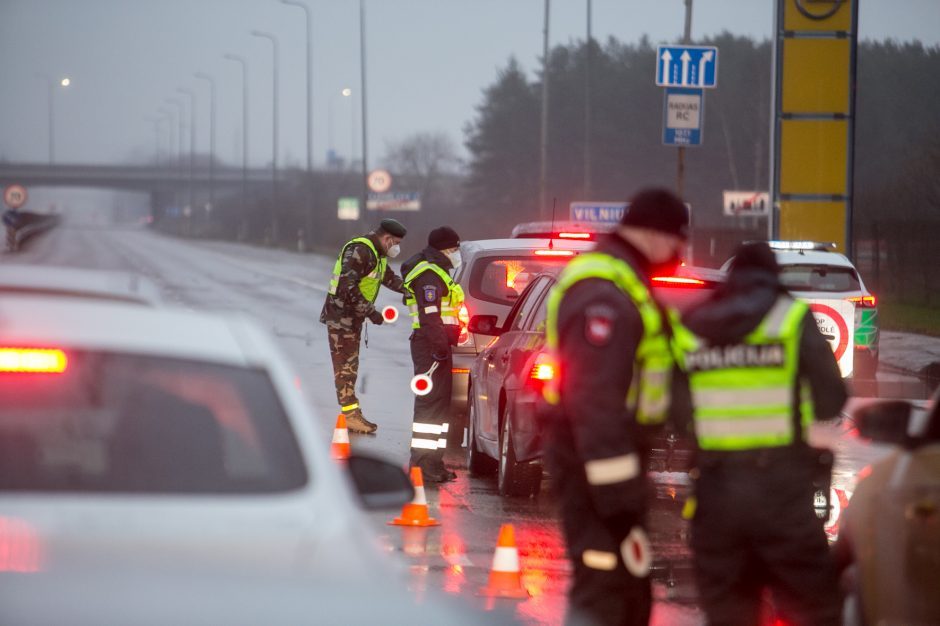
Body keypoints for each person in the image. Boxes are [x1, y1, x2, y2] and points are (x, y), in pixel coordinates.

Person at [542, 188, 691, 625]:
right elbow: (595, 402)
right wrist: (619, 497)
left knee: (626, 589)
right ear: (653, 233)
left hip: (609, 469)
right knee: (604, 587)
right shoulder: (604, 291)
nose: (680, 254)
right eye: (677, 242)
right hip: (596, 471)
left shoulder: (624, 280)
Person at [681, 241, 847, 626]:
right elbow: (831, 399)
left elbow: (673, 409)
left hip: (717, 497)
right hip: (783, 496)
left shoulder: (693, 324)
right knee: (815, 610)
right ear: (774, 276)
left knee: (729, 613)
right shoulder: (791, 318)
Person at [320, 218, 407, 434]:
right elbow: (346, 286)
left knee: (350, 366)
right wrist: (371, 312)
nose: (396, 247)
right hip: (342, 318)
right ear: (386, 238)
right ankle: (350, 415)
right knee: (345, 368)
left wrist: (411, 291)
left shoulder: (378, 254)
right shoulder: (361, 250)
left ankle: (352, 413)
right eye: (395, 242)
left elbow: (387, 278)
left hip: (351, 318)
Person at [401, 226, 464, 483]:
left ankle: (434, 463)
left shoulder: (437, 271)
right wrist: (439, 349)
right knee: (430, 407)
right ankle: (421, 464)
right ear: (444, 249)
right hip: (431, 348)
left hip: (437, 347)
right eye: (454, 249)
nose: (457, 253)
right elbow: (430, 317)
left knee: (439, 407)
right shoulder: (428, 275)